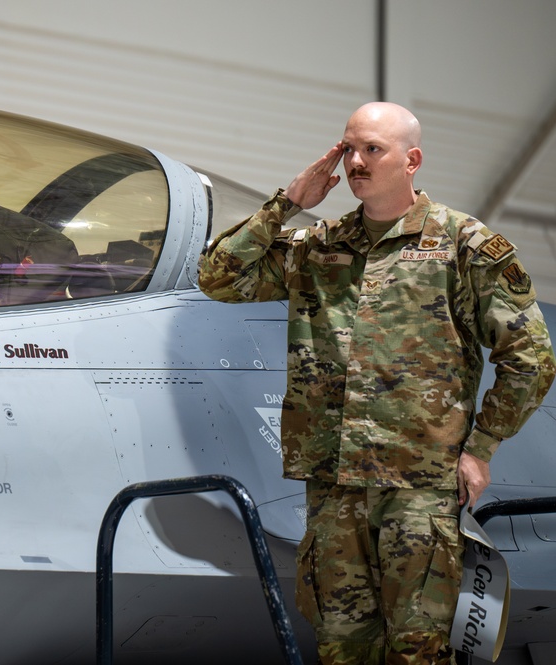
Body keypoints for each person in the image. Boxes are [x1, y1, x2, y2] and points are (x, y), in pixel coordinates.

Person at [198, 102, 555, 664]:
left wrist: (482, 448)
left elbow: (531, 357)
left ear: (411, 160)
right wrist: (286, 204)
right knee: (341, 649)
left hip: (418, 485)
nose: (356, 161)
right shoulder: (318, 246)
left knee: (417, 651)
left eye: (373, 149)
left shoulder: (462, 245)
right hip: (334, 486)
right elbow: (217, 278)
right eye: (349, 148)